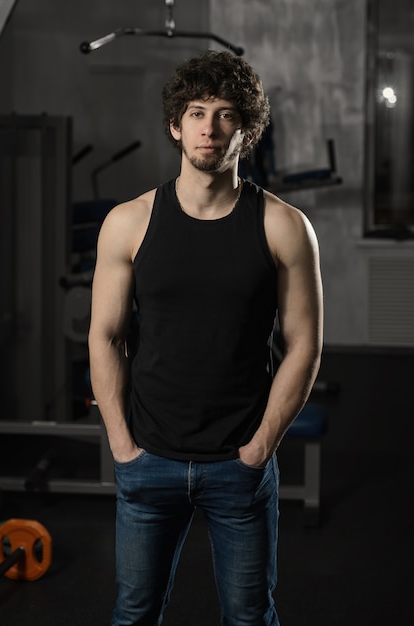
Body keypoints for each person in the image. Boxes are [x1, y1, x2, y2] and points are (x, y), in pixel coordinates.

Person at [88, 50, 323, 626]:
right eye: (196, 112)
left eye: (224, 114)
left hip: (238, 462)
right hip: (148, 457)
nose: (209, 128)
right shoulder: (129, 222)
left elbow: (305, 344)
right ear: (175, 124)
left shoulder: (284, 226)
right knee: (133, 613)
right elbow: (104, 335)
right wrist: (122, 445)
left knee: (248, 616)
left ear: (247, 128)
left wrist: (260, 448)